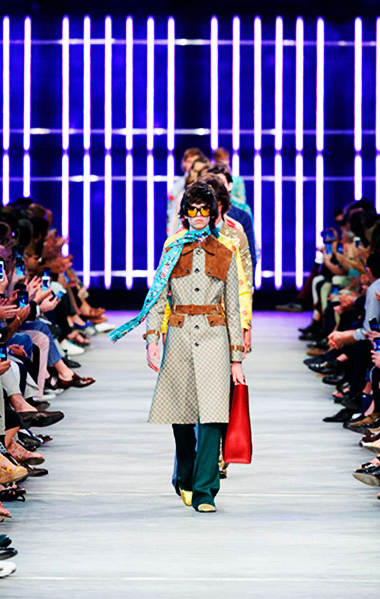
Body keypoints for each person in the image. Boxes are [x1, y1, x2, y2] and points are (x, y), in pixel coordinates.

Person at [110, 180, 245, 512]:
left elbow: (233, 307)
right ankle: (184, 475)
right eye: (192, 209)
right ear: (185, 213)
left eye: (204, 209)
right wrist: (151, 341)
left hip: (214, 336)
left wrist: (236, 358)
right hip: (179, 335)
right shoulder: (172, 250)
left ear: (212, 213)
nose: (198, 215)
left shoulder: (226, 253)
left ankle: (205, 491)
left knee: (214, 416)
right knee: (181, 416)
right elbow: (158, 297)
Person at [166, 148, 205, 237]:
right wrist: (172, 236)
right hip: (181, 231)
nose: (192, 165)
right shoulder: (178, 186)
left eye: (195, 161)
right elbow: (173, 213)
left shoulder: (207, 184)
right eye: (189, 161)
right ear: (183, 163)